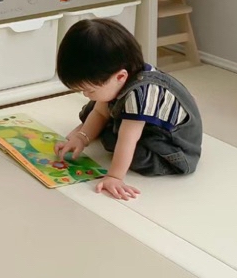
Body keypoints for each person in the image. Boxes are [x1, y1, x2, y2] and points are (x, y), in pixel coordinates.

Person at [54, 18, 202, 200]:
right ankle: (97, 123)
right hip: (143, 121)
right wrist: (82, 137)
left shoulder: (139, 95)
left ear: (120, 77)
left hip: (172, 149)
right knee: (94, 106)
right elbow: (100, 112)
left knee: (117, 141)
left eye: (89, 89)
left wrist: (114, 177)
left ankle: (106, 129)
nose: (85, 94)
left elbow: (127, 140)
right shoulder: (123, 75)